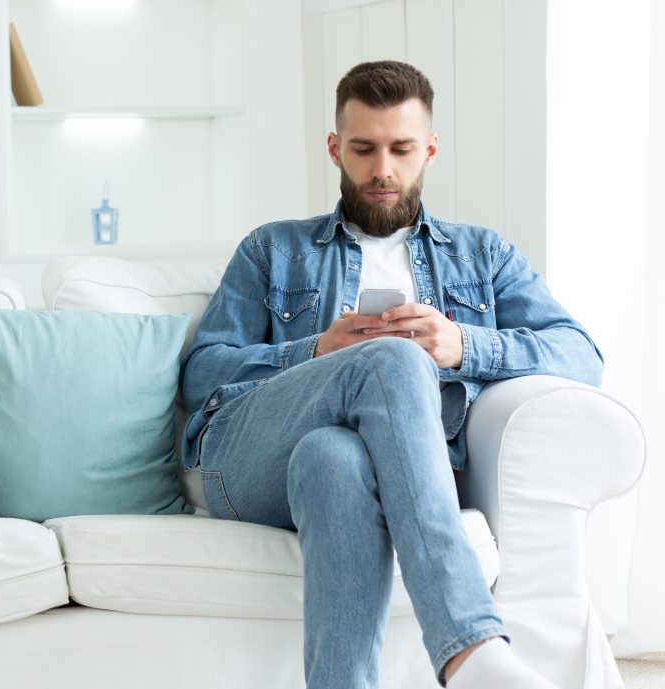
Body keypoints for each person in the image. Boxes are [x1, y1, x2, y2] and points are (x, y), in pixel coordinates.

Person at [180, 61, 602, 689]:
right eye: (364, 148)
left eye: (401, 149)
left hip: (348, 466)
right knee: (394, 360)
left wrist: (463, 344)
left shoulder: (481, 255)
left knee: (335, 459)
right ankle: (469, 647)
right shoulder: (272, 250)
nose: (382, 170)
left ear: (428, 150)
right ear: (334, 149)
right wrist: (315, 351)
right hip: (247, 461)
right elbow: (202, 376)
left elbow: (582, 357)